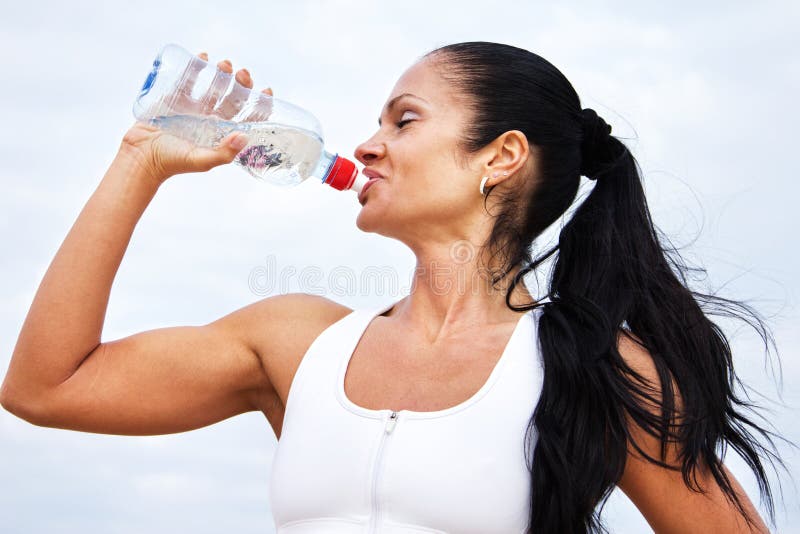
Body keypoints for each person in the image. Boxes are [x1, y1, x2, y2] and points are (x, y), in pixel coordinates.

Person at [0, 42, 783, 533]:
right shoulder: (296, 343)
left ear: (501, 156)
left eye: (404, 121)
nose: (367, 145)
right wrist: (140, 161)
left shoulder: (595, 368)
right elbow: (45, 386)